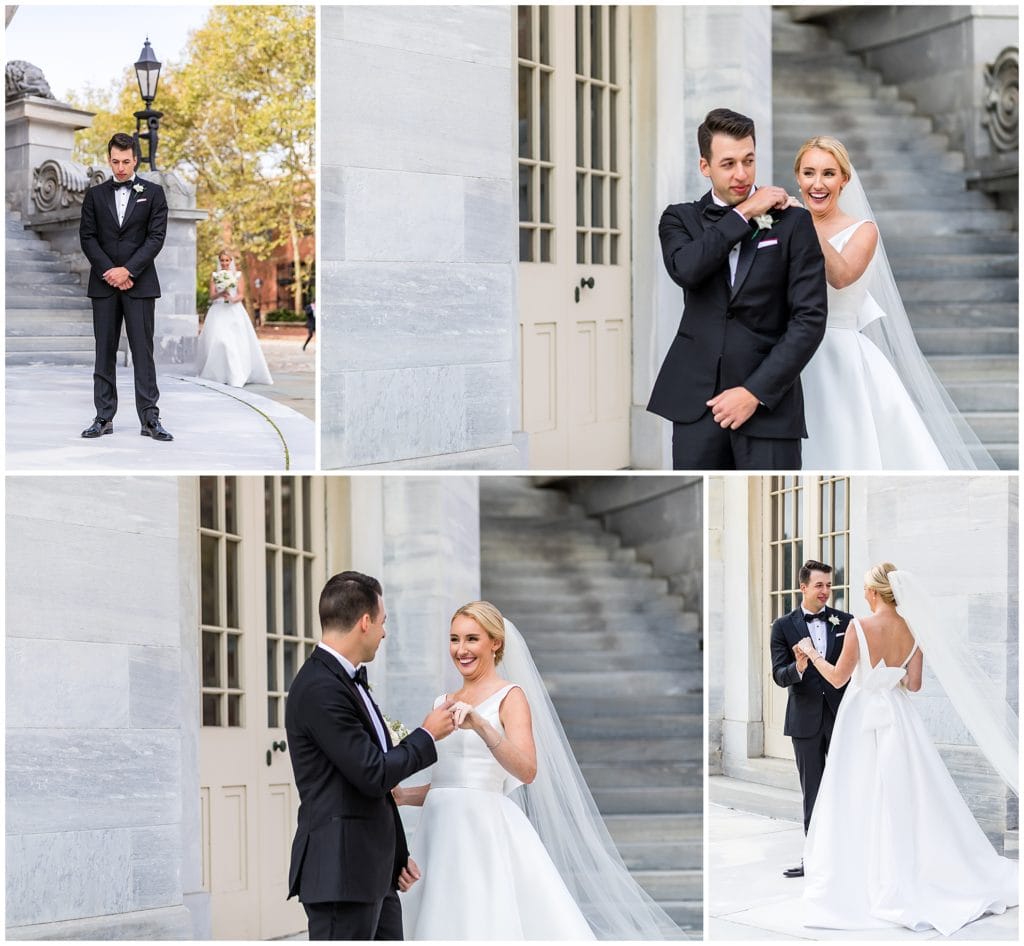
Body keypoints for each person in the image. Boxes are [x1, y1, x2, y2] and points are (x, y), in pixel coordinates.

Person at [396, 601, 683, 940]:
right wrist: (401, 796)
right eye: (454, 639)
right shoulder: (439, 703)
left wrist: (482, 726)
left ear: (495, 642)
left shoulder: (510, 697)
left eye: (472, 639)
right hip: (438, 831)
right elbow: (448, 783)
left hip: (483, 831)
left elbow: (527, 770)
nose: (461, 650)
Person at [795, 563, 1019, 934]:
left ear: (874, 592)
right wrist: (889, 678)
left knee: (859, 793)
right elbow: (913, 685)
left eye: (866, 588)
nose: (863, 593)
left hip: (862, 716)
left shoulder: (859, 626)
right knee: (908, 795)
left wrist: (811, 653)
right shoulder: (914, 629)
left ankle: (864, 874)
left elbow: (838, 678)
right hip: (899, 719)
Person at [793, 136, 995, 470]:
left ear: (844, 179)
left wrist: (803, 226)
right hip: (790, 355)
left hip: (840, 358)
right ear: (797, 177)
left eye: (828, 174)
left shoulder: (864, 230)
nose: (817, 183)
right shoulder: (784, 223)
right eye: (809, 173)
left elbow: (841, 275)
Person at [648, 107, 828, 470]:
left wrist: (754, 392)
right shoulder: (678, 219)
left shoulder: (791, 221)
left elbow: (809, 319)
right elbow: (688, 269)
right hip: (695, 405)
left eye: (749, 160)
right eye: (728, 164)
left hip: (769, 406)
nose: (742, 174)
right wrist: (744, 213)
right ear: (705, 167)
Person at [285, 571, 457, 940]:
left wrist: (396, 856)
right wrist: (428, 734)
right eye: (383, 622)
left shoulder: (346, 680)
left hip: (372, 873)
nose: (384, 632)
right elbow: (372, 773)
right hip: (340, 875)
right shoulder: (320, 688)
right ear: (365, 622)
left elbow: (374, 790)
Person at [79, 132, 172, 441]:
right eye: (115, 162)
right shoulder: (94, 195)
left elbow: (155, 238)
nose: (120, 168)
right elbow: (88, 237)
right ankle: (103, 417)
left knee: (143, 353)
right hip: (104, 284)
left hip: (140, 283)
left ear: (136, 160)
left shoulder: (155, 193)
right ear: (109, 159)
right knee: (103, 352)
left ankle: (150, 419)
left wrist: (129, 270)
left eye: (126, 162)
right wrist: (110, 271)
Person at [769, 560, 853, 878]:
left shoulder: (846, 622)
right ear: (803, 587)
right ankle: (814, 858)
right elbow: (779, 675)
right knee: (813, 792)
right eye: (819, 585)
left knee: (847, 786)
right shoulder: (783, 626)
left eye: (829, 585)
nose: (826, 591)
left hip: (842, 718)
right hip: (804, 722)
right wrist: (800, 667)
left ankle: (849, 854)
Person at [194, 251, 273, 387]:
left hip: (234, 311)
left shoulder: (238, 276)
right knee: (219, 340)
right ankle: (217, 374)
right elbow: (211, 296)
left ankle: (235, 375)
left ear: (231, 261)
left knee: (233, 342)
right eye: (222, 260)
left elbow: (241, 295)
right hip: (218, 311)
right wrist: (220, 293)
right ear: (219, 262)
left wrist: (232, 298)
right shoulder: (214, 276)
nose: (224, 263)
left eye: (227, 260)